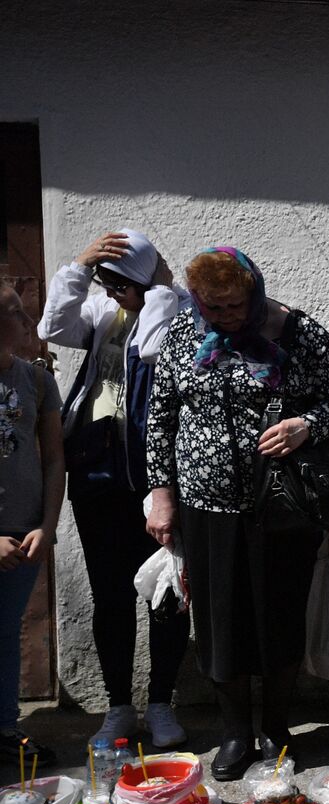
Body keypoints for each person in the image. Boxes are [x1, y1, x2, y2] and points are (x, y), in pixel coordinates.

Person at [145, 247, 329, 781]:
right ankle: (235, 732)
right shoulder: (182, 335)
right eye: (214, 309)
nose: (227, 317)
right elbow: (160, 416)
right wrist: (160, 493)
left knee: (278, 617)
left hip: (281, 506)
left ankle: (277, 729)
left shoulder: (297, 332)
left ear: (254, 292)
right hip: (206, 506)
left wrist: (305, 425)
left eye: (236, 305)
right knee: (219, 624)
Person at [37, 229, 192, 748]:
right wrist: (79, 267)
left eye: (121, 284)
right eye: (107, 282)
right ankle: (120, 707)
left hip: (154, 479)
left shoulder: (174, 310)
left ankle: (163, 703)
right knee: (111, 593)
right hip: (99, 473)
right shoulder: (103, 315)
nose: (112, 293)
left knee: (166, 591)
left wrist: (160, 292)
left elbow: (151, 348)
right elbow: (52, 324)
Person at [0, 282, 63, 765]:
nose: (27, 321)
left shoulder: (38, 382)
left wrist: (47, 522)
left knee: (6, 631)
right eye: (16, 313)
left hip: (23, 535)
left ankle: (5, 726)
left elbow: (53, 461)